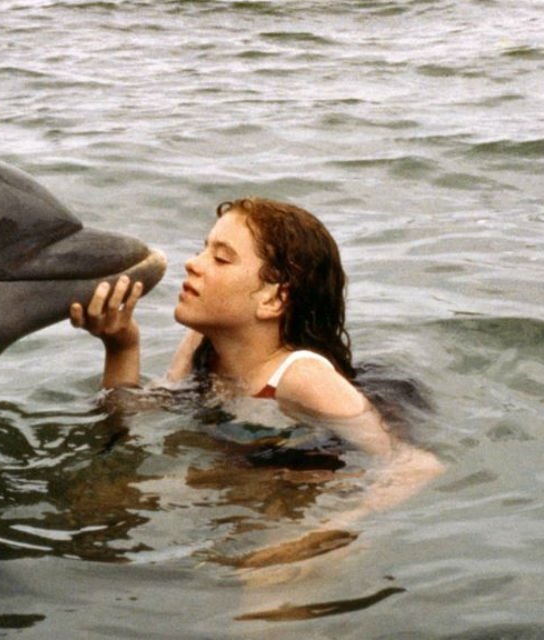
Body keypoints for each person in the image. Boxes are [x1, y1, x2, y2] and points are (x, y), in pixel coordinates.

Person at [69, 197, 442, 566]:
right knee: (94, 503)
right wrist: (121, 347)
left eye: (221, 258)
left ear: (273, 299)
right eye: (203, 249)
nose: (192, 263)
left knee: (262, 578)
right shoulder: (200, 345)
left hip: (306, 476)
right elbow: (126, 420)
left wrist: (327, 531)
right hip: (240, 463)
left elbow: (414, 465)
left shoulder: (302, 377)